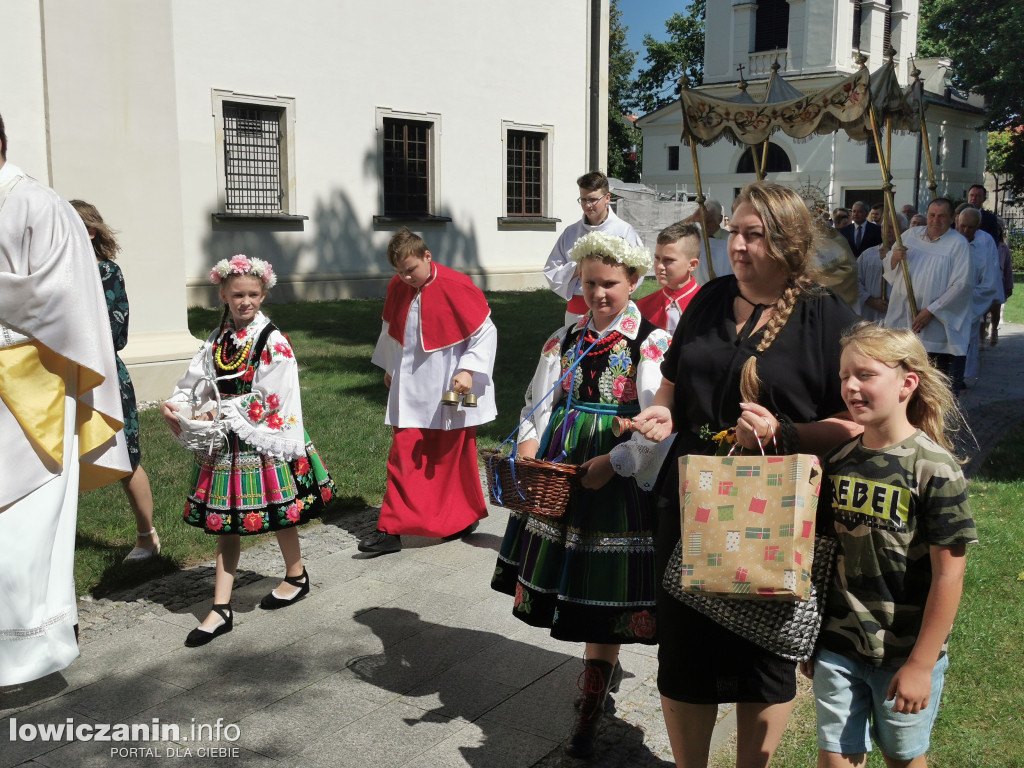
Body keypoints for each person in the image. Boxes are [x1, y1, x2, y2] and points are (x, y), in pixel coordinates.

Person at [634, 180, 860, 768]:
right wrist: (661, 409)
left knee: (764, 649)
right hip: (690, 499)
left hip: (773, 507)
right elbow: (676, 381)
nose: (736, 244)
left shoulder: (825, 315)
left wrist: (787, 433)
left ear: (785, 242)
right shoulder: (707, 299)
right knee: (685, 649)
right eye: (733, 231)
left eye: (752, 234)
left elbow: (856, 421)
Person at [492, 231, 671, 759]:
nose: (599, 294)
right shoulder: (564, 338)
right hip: (563, 466)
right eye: (590, 283)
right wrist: (528, 443)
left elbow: (656, 425)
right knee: (572, 572)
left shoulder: (650, 343)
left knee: (608, 587)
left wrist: (616, 463)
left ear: (634, 282)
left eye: (610, 284)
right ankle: (596, 681)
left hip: (616, 478)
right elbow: (538, 398)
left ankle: (590, 703)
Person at [808, 322, 976, 768]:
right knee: (835, 755)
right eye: (845, 375)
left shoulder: (934, 469)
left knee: (902, 757)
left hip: (904, 652)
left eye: (865, 375)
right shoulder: (839, 463)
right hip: (839, 645)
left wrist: (921, 665)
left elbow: (950, 574)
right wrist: (812, 640)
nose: (850, 386)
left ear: (907, 383)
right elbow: (825, 558)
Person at [0, 112, 130, 685]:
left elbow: (64, 305)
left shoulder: (40, 207)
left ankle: (27, 654)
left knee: (21, 531)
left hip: (30, 396)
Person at [161, 255, 335, 647]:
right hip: (228, 441)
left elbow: (275, 396)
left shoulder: (271, 340)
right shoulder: (218, 338)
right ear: (223, 293)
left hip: (259, 438)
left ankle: (295, 573)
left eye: (253, 294)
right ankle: (221, 606)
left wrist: (224, 411)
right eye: (237, 294)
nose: (245, 302)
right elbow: (198, 379)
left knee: (275, 510)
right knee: (229, 521)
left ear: (264, 294)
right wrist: (177, 403)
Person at [359, 228, 497, 556]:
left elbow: (485, 332)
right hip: (410, 387)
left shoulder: (456, 285)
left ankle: (461, 518)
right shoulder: (398, 286)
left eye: (411, 269)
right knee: (404, 453)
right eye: (399, 272)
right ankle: (390, 529)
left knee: (454, 456)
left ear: (427, 256)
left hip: (448, 385)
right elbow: (392, 328)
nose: (406, 278)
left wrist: (468, 369)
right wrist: (391, 368)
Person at [70, 200, 160, 563]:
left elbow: (116, 334)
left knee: (125, 457)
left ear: (90, 231)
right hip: (61, 377)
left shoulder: (106, 271)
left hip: (105, 378)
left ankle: (147, 537)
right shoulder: (50, 272)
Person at [883, 198, 972, 395]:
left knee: (930, 382)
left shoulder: (958, 244)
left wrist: (931, 311)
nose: (935, 220)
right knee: (902, 376)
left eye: (941, 216)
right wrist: (895, 258)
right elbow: (889, 267)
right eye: (932, 215)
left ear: (951, 219)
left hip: (937, 324)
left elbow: (962, 285)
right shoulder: (910, 235)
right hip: (903, 315)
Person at [543, 170, 643, 324]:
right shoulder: (571, 233)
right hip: (577, 311)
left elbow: (638, 272)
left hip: (613, 310)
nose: (588, 205)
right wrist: (578, 268)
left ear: (607, 198)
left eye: (593, 199)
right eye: (583, 200)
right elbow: (551, 271)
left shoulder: (624, 231)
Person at [956, 207, 1002, 384]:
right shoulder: (947, 245)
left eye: (970, 228)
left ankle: (961, 378)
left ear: (978, 228)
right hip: (944, 308)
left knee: (967, 344)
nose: (965, 231)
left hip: (969, 308)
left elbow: (989, 285)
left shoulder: (983, 251)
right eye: (962, 226)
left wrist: (970, 303)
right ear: (957, 223)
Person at [636, 222, 701, 333]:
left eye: (668, 260)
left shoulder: (707, 306)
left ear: (692, 265)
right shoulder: (643, 307)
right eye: (657, 258)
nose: (660, 266)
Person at [857, 212, 908, 323]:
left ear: (904, 231)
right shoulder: (868, 255)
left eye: (891, 227)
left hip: (899, 317)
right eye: (884, 227)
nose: (886, 231)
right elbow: (854, 281)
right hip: (870, 316)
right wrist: (869, 299)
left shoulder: (910, 256)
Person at [983, 222, 1014, 346]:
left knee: (995, 309)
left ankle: (994, 329)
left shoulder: (1003, 247)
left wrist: (1009, 286)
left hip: (998, 281)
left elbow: (1008, 268)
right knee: (983, 310)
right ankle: (981, 336)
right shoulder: (983, 244)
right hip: (984, 280)